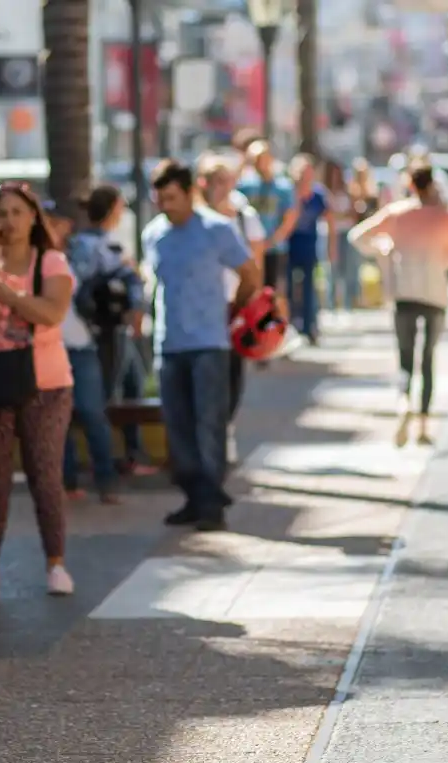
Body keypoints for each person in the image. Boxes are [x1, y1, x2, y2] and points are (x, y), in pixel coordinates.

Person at [0, 183, 76, 603]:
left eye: (17, 212)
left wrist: (5, 292)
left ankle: (56, 563)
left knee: (45, 474)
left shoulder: (52, 261)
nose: (9, 221)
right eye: (1, 213)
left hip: (46, 383)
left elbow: (50, 312)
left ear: (32, 217)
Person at [143, 160, 261, 531]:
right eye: (160, 198)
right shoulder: (153, 234)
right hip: (170, 343)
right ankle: (195, 496)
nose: (165, 205)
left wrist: (235, 309)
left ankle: (212, 503)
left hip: (210, 342)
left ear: (190, 192)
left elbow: (249, 273)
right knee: (178, 426)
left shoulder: (217, 229)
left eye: (172, 198)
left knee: (209, 423)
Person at [349, 163, 448, 447]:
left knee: (405, 359)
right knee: (428, 358)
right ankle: (423, 426)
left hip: (403, 293)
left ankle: (403, 404)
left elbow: (357, 236)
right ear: (432, 184)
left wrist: (383, 249)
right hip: (435, 293)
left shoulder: (397, 213)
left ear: (410, 185)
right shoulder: (445, 217)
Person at [62, 184, 139, 503]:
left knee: (78, 412)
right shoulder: (108, 248)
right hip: (94, 338)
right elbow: (132, 284)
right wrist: (134, 309)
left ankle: (73, 480)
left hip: (78, 338)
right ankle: (104, 478)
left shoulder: (74, 246)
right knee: (95, 409)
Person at [196, 153, 266, 462]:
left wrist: (253, 300)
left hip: (236, 304)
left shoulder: (243, 217)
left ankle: (225, 427)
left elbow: (256, 261)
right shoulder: (195, 220)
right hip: (204, 305)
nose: (222, 188)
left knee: (233, 371)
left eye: (227, 181)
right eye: (216, 182)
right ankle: (211, 433)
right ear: (204, 184)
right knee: (208, 370)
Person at [236, 140, 298, 297]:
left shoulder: (283, 186)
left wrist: (271, 241)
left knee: (272, 292)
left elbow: (289, 218)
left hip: (274, 249)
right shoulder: (244, 185)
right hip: (249, 249)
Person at [285, 154, 335, 344]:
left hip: (309, 246)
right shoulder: (289, 193)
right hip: (289, 246)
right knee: (289, 288)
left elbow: (330, 221)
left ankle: (309, 326)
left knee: (309, 288)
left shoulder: (319, 195)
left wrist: (332, 248)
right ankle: (291, 326)